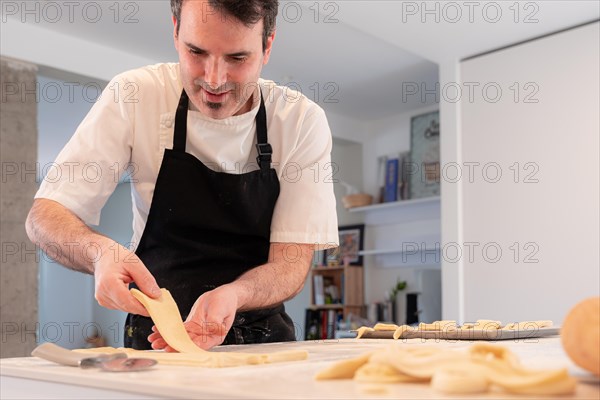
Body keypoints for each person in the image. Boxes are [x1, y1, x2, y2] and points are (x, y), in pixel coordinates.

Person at [25, 0, 338, 351]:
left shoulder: (299, 121)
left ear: (267, 46)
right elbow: (45, 216)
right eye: (196, 51)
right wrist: (98, 252)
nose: (214, 79)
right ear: (175, 31)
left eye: (237, 58)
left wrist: (236, 294)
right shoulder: (135, 95)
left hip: (261, 341)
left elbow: (291, 264)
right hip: (157, 339)